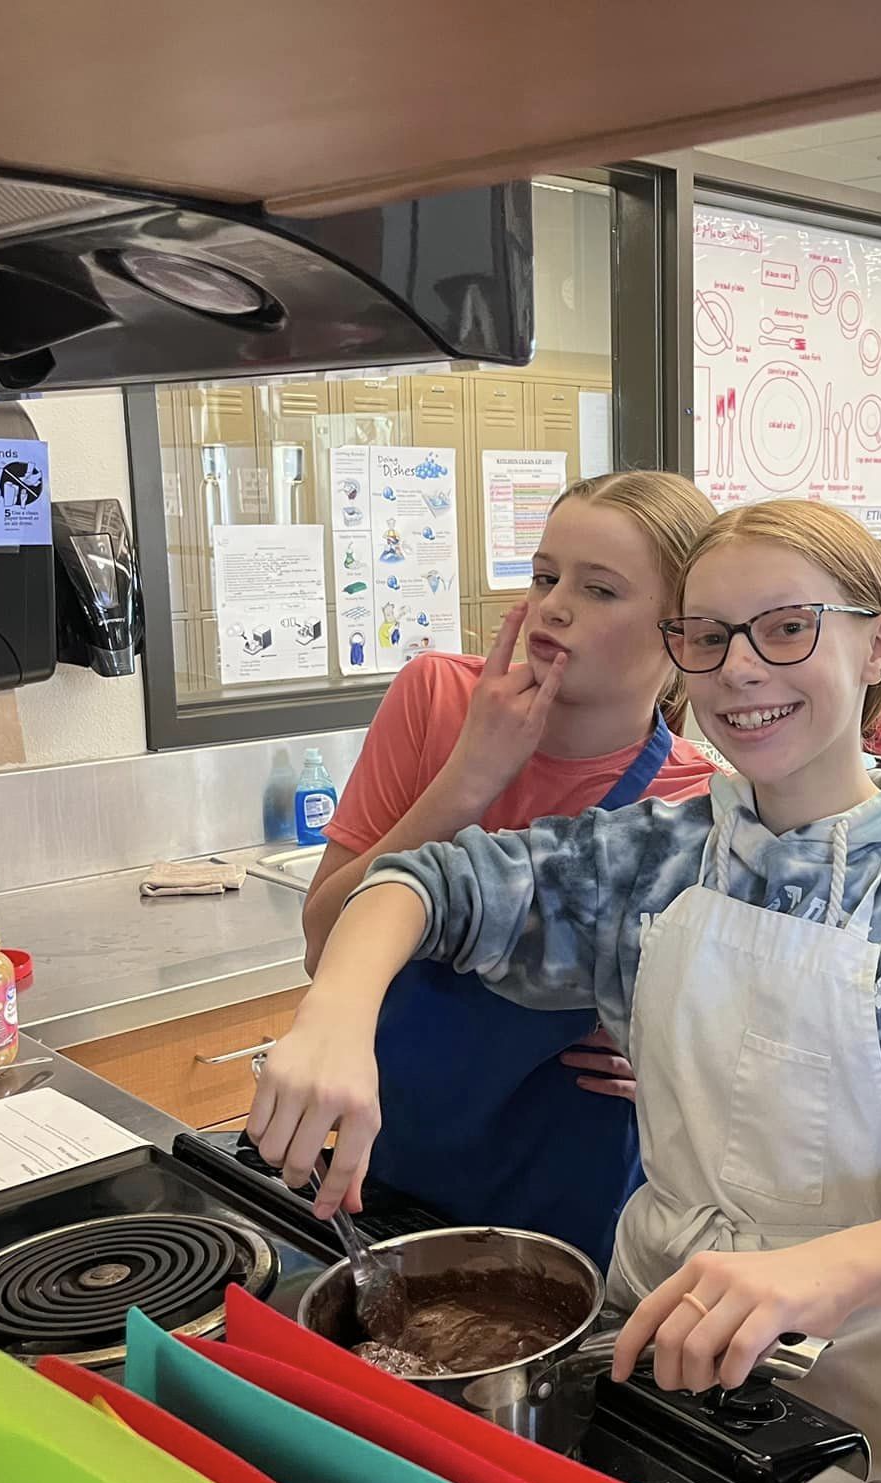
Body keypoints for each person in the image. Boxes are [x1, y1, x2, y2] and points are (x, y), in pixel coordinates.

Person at [251, 498, 881, 1483]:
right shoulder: (655, 854)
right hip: (645, 1335)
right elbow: (424, 886)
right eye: (706, 637)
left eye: (786, 628)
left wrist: (821, 1273)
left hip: (856, 1361)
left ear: (877, 642)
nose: (740, 668)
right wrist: (337, 1015)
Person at [300, 470, 718, 1267]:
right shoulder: (436, 699)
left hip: (571, 1190)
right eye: (544, 575)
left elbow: (734, 1043)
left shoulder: (695, 799)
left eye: (600, 590)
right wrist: (468, 779)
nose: (552, 606)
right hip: (393, 1153)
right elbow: (324, 943)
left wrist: (667, 1059)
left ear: (682, 635)